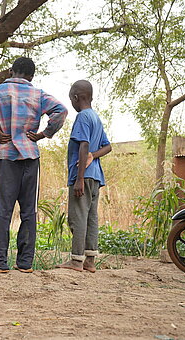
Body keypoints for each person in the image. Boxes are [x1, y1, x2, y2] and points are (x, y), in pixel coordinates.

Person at [0, 57, 68, 273]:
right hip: (31, 157)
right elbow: (61, 111)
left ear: (12, 71)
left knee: (3, 211)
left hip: (5, 157)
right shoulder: (38, 94)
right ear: (31, 76)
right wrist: (44, 134)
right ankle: (24, 264)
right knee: (29, 211)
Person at [56, 80, 112, 273]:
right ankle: (90, 260)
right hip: (96, 177)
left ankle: (76, 261)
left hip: (83, 176)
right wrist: (93, 157)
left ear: (76, 97)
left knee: (77, 217)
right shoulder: (95, 117)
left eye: (71, 98)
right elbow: (108, 146)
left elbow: (84, 145)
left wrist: (79, 178)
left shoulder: (82, 117)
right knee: (91, 218)